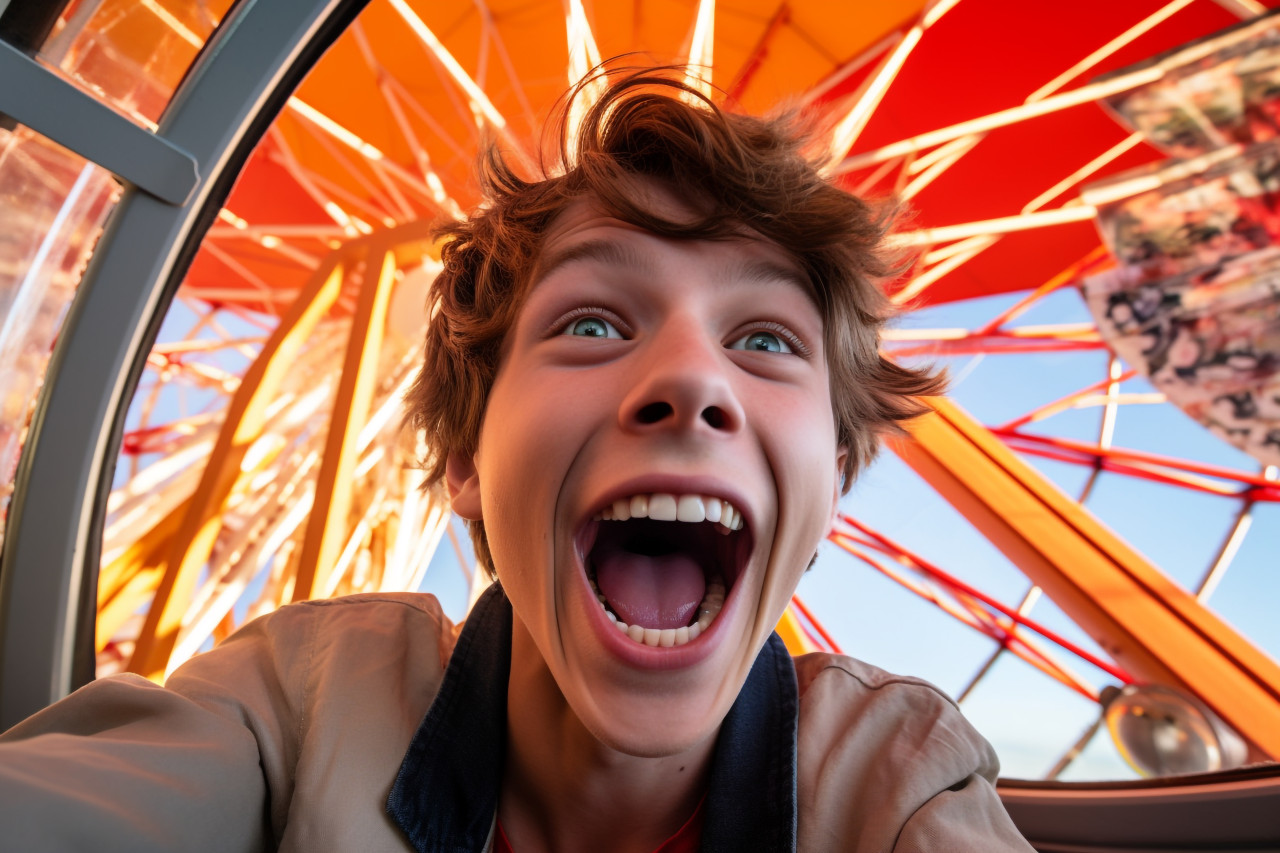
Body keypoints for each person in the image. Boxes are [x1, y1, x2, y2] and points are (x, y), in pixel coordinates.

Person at [0, 68, 1033, 852]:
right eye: (590, 323)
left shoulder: (896, 787)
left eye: (764, 340)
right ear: (462, 456)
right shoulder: (297, 704)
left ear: (835, 483)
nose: (691, 380)